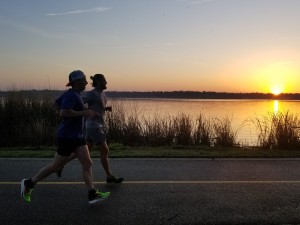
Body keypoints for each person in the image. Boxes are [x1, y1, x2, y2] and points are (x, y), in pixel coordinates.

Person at [21, 70, 110, 205]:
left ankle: (92, 193)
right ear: (76, 82)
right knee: (55, 167)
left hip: (77, 136)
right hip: (67, 137)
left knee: (88, 163)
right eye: (83, 80)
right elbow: (64, 111)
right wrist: (84, 113)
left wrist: (87, 113)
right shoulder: (71, 95)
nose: (86, 82)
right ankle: (29, 183)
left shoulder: (76, 95)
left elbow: (56, 105)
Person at [57, 74, 123, 184]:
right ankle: (109, 176)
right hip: (94, 126)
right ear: (98, 82)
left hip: (94, 126)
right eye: (104, 81)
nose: (106, 82)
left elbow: (96, 106)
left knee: (82, 151)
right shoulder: (92, 94)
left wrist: (105, 108)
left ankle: (60, 165)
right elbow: (78, 103)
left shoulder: (102, 94)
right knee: (105, 150)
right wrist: (86, 112)